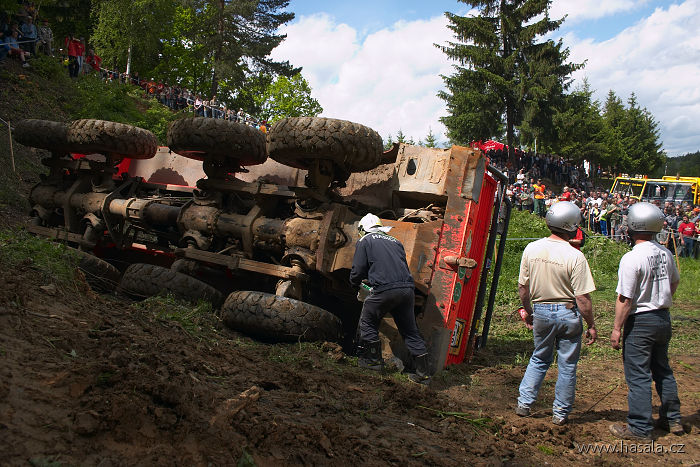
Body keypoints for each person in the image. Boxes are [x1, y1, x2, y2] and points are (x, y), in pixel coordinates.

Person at [516, 201, 597, 425]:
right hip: (568, 312)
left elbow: (523, 288)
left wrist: (529, 310)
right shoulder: (575, 256)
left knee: (539, 357)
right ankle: (560, 413)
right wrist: (590, 324)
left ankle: (524, 402)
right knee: (568, 364)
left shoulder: (531, 249)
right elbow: (582, 298)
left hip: (541, 310)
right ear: (572, 226)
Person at [609, 202, 683, 440]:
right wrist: (661, 298)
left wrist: (616, 329)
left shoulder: (631, 258)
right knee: (662, 370)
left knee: (639, 374)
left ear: (632, 226)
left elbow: (625, 299)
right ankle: (673, 419)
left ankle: (640, 427)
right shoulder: (665, 253)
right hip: (662, 318)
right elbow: (674, 282)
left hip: (641, 321)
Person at [349, 213, 431, 385]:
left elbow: (358, 269)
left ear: (363, 229)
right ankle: (423, 374)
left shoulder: (366, 240)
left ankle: (372, 361)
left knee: (368, 321)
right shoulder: (396, 241)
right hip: (407, 290)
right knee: (410, 330)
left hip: (385, 289)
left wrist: (354, 283)